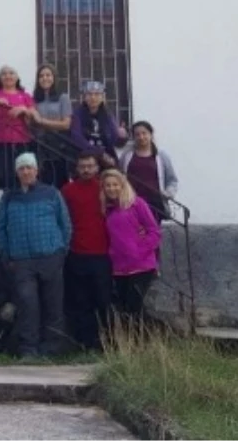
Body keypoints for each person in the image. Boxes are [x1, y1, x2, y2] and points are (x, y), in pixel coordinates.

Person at [0, 153, 71, 357]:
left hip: (50, 258)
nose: (26, 171)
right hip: (21, 261)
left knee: (53, 305)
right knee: (28, 305)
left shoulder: (51, 193)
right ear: (17, 172)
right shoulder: (9, 197)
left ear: (36, 170)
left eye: (29, 168)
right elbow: (0, 228)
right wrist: (6, 255)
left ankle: (52, 349)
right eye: (22, 168)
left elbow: (65, 224)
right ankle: (29, 350)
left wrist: (60, 251)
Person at [61, 152, 112, 351]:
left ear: (97, 168)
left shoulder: (105, 188)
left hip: (102, 254)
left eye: (90, 166)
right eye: (82, 166)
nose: (86, 170)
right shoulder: (67, 190)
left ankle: (105, 343)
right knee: (79, 301)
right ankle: (83, 344)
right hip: (76, 253)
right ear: (77, 168)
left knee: (103, 300)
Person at [101, 169, 162, 326]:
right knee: (126, 309)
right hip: (119, 267)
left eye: (115, 184)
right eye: (107, 185)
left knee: (134, 305)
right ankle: (134, 344)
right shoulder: (107, 210)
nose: (111, 188)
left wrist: (138, 250)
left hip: (141, 265)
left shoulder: (136, 204)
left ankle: (149, 338)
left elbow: (154, 232)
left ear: (122, 185)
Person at [0, 66, 36, 195]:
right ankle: (7, 197)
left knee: (21, 173)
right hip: (0, 142)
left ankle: (21, 197)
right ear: (0, 78)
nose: (8, 76)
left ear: (17, 77)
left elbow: (33, 119)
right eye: (4, 74)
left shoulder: (25, 96)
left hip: (22, 141)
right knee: (2, 175)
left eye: (11, 73)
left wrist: (24, 110)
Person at [119, 121, 179, 222]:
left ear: (151, 134)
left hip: (154, 203)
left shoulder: (162, 156)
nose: (141, 137)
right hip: (131, 201)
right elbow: (119, 175)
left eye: (144, 133)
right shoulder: (127, 155)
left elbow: (172, 180)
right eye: (137, 134)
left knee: (152, 233)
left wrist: (168, 193)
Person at [29, 64, 74, 187]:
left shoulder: (63, 98)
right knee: (42, 179)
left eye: (48, 75)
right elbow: (31, 123)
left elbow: (66, 124)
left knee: (59, 180)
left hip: (59, 144)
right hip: (40, 145)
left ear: (54, 78)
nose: (45, 78)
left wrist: (41, 121)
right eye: (41, 76)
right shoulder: (34, 99)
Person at [70, 81, 126, 167]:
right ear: (84, 97)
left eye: (97, 94)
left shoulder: (108, 115)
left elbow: (114, 139)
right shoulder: (77, 114)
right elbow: (77, 137)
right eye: (89, 94)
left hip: (106, 156)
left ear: (102, 97)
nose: (93, 97)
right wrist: (99, 153)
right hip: (85, 157)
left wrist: (122, 137)